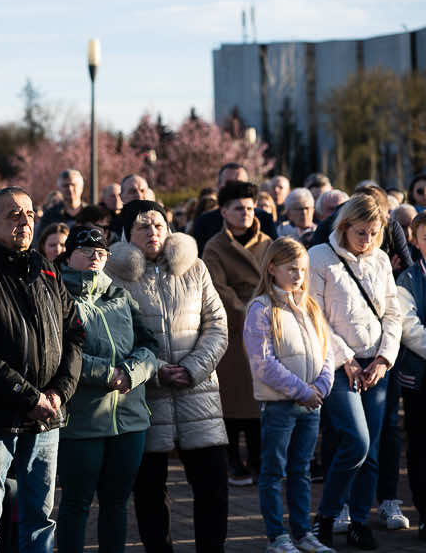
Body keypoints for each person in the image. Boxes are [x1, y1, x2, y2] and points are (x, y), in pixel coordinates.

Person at [0, 186, 83, 553]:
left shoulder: (47, 270)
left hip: (47, 416)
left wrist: (58, 393)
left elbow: (75, 334)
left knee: (41, 518)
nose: (25, 221)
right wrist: (30, 396)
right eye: (13, 216)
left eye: (29, 214)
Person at [105, 200, 229, 553]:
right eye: (143, 227)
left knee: (213, 488)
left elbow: (217, 326)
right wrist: (157, 371)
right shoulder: (114, 276)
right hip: (146, 399)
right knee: (149, 493)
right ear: (128, 235)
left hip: (199, 393)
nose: (153, 232)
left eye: (159, 224)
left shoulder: (196, 269)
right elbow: (115, 335)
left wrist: (192, 368)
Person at [54, 226, 158, 553]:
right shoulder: (56, 295)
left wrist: (131, 373)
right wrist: (106, 373)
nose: (96, 257)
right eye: (86, 250)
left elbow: (149, 345)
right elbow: (56, 354)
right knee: (76, 503)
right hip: (81, 421)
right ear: (68, 255)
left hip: (129, 419)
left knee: (117, 503)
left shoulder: (120, 295)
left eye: (101, 252)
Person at [308, 194, 402, 549]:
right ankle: (328, 516)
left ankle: (360, 520)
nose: (367, 240)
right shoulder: (319, 257)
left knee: (372, 448)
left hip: (376, 363)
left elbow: (392, 313)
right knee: (356, 441)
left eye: (374, 233)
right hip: (338, 365)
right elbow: (315, 316)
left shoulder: (379, 260)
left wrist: (383, 360)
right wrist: (345, 359)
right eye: (361, 232)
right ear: (344, 226)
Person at [243, 237, 334, 553]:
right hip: (281, 405)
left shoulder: (310, 305)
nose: (299, 276)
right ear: (272, 268)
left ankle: (303, 532)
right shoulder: (261, 309)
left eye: (303, 270)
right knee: (273, 472)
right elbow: (264, 363)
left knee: (302, 471)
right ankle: (277, 536)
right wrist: (301, 391)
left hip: (311, 405)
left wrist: (320, 388)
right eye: (291, 269)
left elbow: (326, 351)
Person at [203, 181, 272, 486]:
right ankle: (233, 460)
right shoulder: (215, 246)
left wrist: (263, 307)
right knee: (231, 395)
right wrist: (244, 309)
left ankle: (258, 458)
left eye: (249, 207)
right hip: (231, 325)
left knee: (261, 394)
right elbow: (217, 285)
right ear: (224, 211)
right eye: (238, 208)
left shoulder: (268, 243)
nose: (245, 213)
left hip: (266, 323)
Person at [395, 211, 426, 542]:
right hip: (419, 378)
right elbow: (409, 328)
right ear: (415, 242)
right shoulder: (408, 280)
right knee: (419, 448)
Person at [192, 164, 277, 255]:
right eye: (230, 183)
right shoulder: (205, 222)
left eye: (241, 183)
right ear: (218, 185)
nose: (236, 187)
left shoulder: (264, 219)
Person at [36, 169, 87, 233]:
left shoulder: (90, 214)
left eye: (73, 185)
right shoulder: (50, 215)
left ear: (81, 187)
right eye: (65, 186)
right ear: (59, 189)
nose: (70, 189)